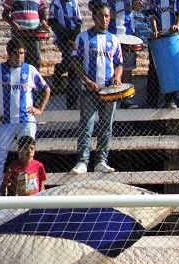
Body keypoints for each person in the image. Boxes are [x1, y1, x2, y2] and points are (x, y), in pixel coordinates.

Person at [0, 38, 50, 197]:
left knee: (27, 155)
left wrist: (39, 108)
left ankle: (32, 194)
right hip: (5, 122)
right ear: (8, 52)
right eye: (16, 53)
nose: (19, 56)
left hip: (26, 121)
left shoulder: (30, 70)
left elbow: (46, 89)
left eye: (22, 53)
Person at [70, 2, 123, 175]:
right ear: (94, 17)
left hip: (108, 91)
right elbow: (75, 62)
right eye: (101, 16)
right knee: (87, 125)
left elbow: (119, 64)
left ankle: (101, 160)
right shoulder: (83, 38)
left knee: (106, 126)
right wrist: (86, 80)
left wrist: (117, 76)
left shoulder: (114, 40)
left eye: (107, 16)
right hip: (89, 91)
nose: (104, 19)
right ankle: (82, 162)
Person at [145, 0, 179, 109]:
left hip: (171, 37)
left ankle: (171, 100)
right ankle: (152, 101)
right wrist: (155, 30)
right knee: (154, 69)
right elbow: (152, 15)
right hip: (158, 37)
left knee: (171, 68)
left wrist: (177, 26)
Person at [48, 0, 83, 108]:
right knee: (70, 59)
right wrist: (66, 36)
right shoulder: (56, 3)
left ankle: (72, 101)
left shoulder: (74, 2)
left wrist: (74, 36)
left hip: (73, 37)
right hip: (62, 37)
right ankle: (59, 71)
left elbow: (79, 21)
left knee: (74, 67)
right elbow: (52, 21)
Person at [2, 0, 50, 71]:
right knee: (18, 57)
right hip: (18, 34)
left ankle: (34, 78)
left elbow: (42, 16)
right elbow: (4, 15)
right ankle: (18, 78)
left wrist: (45, 25)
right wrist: (13, 24)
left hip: (34, 34)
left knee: (36, 58)